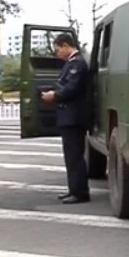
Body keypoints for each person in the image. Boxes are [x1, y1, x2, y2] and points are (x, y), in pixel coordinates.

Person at [41, 33, 90, 204]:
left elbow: (71, 88)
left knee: (74, 156)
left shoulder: (77, 64)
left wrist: (54, 95)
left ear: (65, 45)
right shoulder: (70, 64)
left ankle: (80, 192)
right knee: (70, 156)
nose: (57, 53)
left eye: (58, 49)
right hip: (68, 116)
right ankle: (73, 189)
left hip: (74, 117)